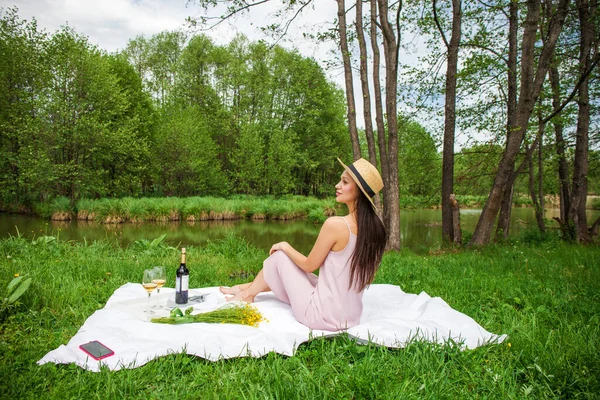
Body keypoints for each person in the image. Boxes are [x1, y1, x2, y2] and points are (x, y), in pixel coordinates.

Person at [220, 158, 387, 331]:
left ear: (359, 191)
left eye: (344, 182)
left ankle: (247, 295)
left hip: (321, 316)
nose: (337, 185)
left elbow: (309, 265)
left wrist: (285, 245)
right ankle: (246, 287)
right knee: (308, 278)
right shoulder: (377, 229)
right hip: (351, 317)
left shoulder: (336, 225)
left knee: (279, 258)